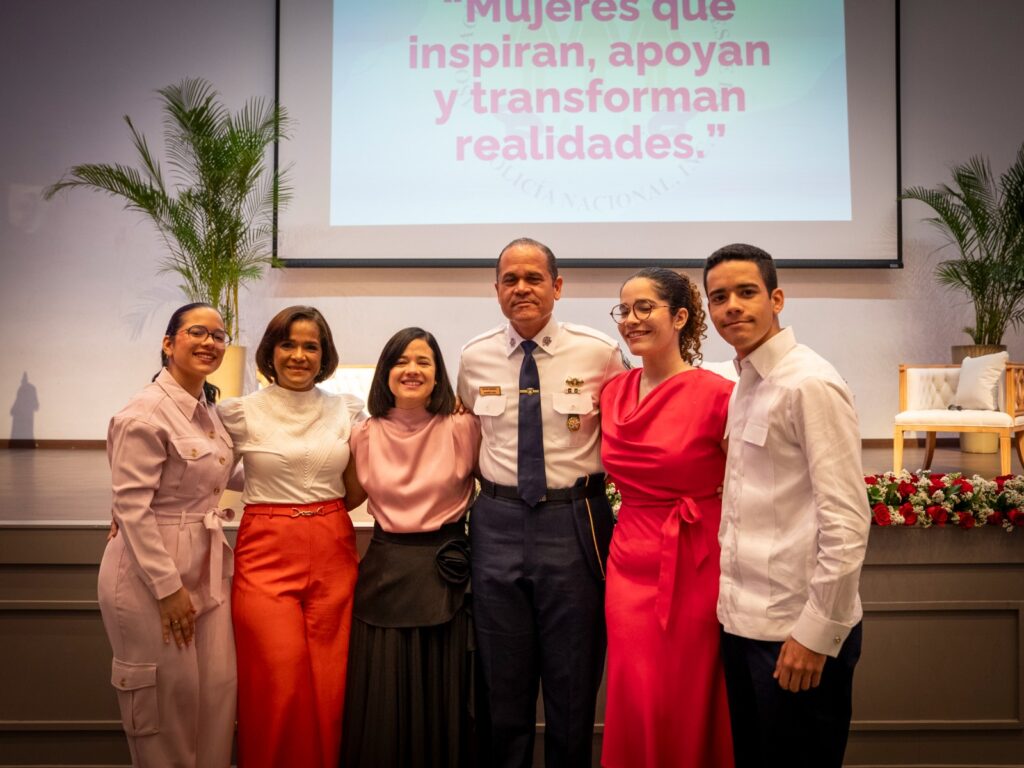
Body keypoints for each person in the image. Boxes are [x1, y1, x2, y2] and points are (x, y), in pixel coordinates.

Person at [457, 237, 626, 768]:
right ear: (496, 290)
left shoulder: (599, 353)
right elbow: (466, 434)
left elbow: (626, 431)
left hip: (574, 520)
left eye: (534, 278)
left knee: (572, 679)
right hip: (497, 520)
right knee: (500, 679)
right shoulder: (474, 356)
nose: (522, 288)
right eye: (510, 279)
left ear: (558, 286)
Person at [703, 243, 871, 768]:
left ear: (776, 299)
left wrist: (815, 635)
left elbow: (847, 521)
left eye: (746, 292)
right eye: (719, 297)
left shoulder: (809, 383)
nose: (732, 306)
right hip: (744, 625)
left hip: (795, 634)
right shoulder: (746, 383)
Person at [217, 306, 365, 768]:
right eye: (288, 344)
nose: (299, 355)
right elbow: (203, 474)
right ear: (271, 351)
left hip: (333, 546)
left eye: (310, 346)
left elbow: (357, 485)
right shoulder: (239, 412)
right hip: (266, 549)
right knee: (277, 682)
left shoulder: (347, 409)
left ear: (324, 355)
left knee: (330, 684)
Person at [599, 268, 734, 767]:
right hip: (628, 560)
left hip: (696, 559)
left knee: (685, 690)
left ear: (679, 317)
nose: (631, 320)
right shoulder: (612, 391)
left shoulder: (719, 394)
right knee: (635, 690)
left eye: (644, 308)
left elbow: (746, 480)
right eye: (624, 309)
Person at [98, 302, 238, 767]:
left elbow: (222, 473)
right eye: (197, 332)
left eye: (218, 336)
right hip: (151, 571)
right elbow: (131, 508)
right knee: (164, 706)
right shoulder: (144, 414)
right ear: (168, 343)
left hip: (205, 563)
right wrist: (167, 588)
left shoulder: (207, 410)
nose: (209, 342)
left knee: (215, 696)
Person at [341, 327, 481, 768]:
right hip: (384, 575)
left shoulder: (464, 427)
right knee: (383, 698)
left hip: (444, 578)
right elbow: (342, 498)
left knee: (444, 697)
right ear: (385, 372)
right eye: (401, 361)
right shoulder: (363, 434)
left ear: (439, 375)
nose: (412, 370)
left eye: (423, 361)